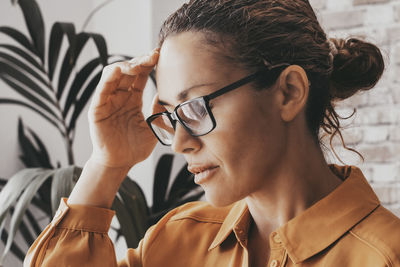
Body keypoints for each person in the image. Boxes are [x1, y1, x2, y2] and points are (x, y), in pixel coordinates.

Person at [24, 0, 400, 266]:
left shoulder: (385, 255)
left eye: (196, 107)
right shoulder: (174, 241)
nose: (180, 142)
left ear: (289, 92)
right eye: (172, 116)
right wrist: (107, 163)